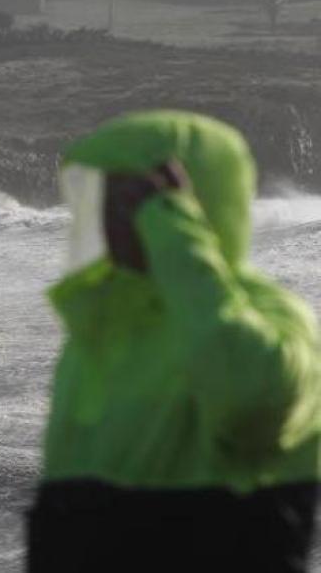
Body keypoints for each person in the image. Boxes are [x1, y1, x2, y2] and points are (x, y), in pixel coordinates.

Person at [28, 111, 321, 572]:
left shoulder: (271, 315)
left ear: (197, 203)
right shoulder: (101, 331)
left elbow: (252, 403)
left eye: (134, 201)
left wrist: (172, 230)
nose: (113, 220)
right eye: (106, 200)